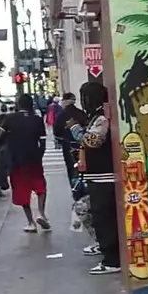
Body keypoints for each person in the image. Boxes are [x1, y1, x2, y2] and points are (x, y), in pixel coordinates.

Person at [78, 80, 120, 274]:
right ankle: (106, 250)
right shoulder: (96, 116)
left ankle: (111, 259)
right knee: (99, 216)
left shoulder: (101, 117)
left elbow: (93, 141)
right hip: (98, 175)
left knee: (105, 218)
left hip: (104, 177)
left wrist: (76, 130)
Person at [0, 93, 50, 232]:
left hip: (16, 160)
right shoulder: (37, 119)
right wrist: (39, 154)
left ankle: (31, 222)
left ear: (18, 104)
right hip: (34, 158)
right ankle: (41, 213)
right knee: (40, 186)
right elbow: (42, 140)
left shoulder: (9, 118)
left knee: (22, 190)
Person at [53, 92, 85, 190]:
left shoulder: (60, 115)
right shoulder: (81, 113)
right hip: (82, 145)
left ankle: (75, 188)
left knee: (71, 167)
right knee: (83, 166)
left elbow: (56, 131)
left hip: (67, 144)